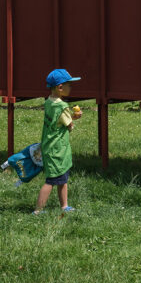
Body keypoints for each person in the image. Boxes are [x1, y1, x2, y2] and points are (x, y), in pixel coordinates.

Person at [34, 69, 83, 215]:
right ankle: (38, 210)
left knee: (62, 178)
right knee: (51, 181)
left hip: (49, 146)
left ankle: (64, 206)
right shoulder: (62, 106)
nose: (71, 87)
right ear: (60, 87)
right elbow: (70, 126)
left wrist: (69, 117)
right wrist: (76, 117)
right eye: (69, 84)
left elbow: (57, 122)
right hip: (58, 150)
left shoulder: (49, 102)